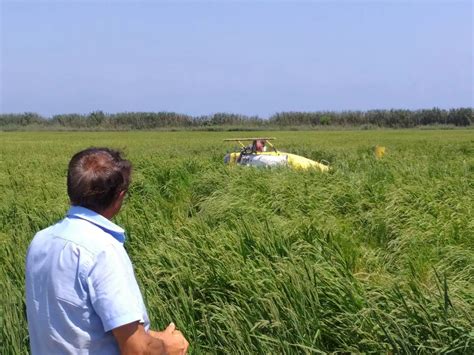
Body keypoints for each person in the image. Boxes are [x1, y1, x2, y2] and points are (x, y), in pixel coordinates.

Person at [25, 147, 189, 355]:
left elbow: (76, 326)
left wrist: (152, 337)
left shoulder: (41, 239)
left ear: (71, 189)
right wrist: (168, 346)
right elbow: (137, 350)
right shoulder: (103, 250)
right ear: (119, 197)